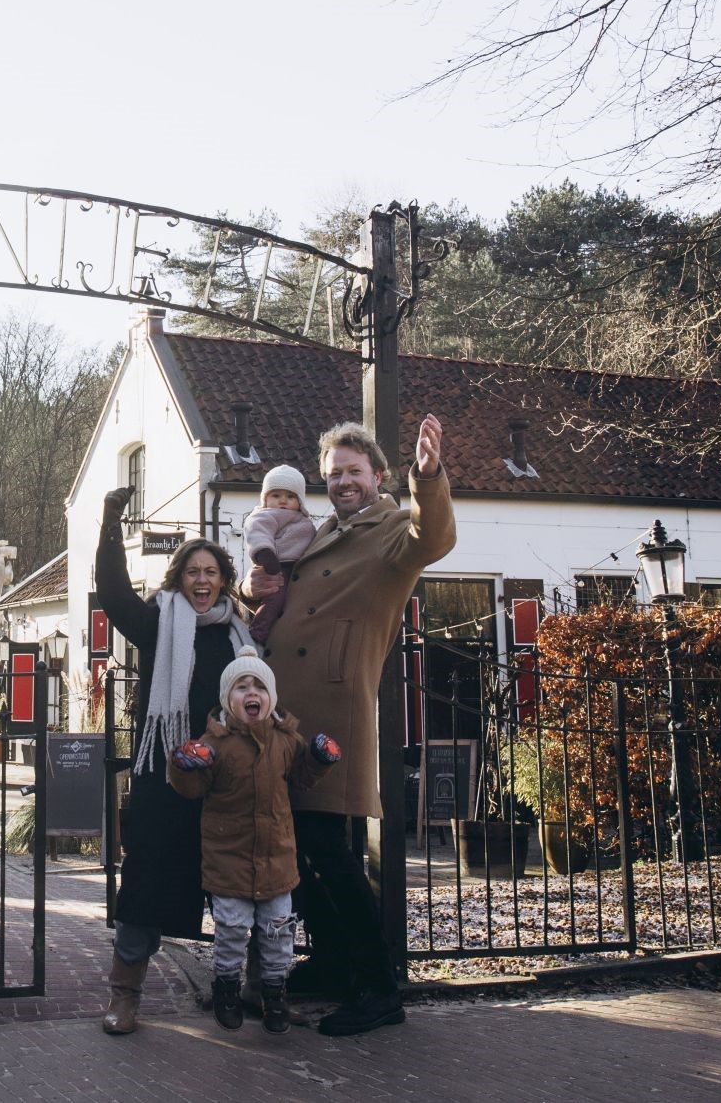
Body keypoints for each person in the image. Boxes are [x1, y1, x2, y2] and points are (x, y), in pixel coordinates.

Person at [243, 416, 455, 1037]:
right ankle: (334, 962)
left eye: (353, 472)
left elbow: (433, 536)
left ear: (378, 477)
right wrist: (255, 588)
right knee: (301, 854)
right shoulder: (318, 531)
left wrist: (430, 475)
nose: (342, 482)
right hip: (285, 712)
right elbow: (285, 598)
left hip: (334, 712)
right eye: (333, 474)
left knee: (333, 854)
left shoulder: (393, 528)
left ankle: (379, 986)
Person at [94, 485, 254, 1036]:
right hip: (163, 775)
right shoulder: (159, 624)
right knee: (145, 879)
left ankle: (248, 984)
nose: (203, 580)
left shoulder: (241, 636)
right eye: (193, 572)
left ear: (224, 580)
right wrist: (110, 523)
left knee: (239, 880)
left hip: (225, 778)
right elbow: (112, 594)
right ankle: (125, 994)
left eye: (212, 572)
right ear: (178, 579)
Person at [167, 646, 341, 1034]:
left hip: (277, 856)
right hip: (228, 857)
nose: (252, 693)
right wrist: (183, 765)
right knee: (231, 929)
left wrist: (317, 759)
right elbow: (191, 788)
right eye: (242, 687)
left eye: (259, 687)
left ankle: (275, 992)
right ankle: (227, 986)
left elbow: (301, 777)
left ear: (270, 698)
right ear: (228, 699)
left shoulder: (285, 740)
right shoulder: (216, 744)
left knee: (279, 930)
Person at [243, 464, 318, 645]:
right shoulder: (265, 515)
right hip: (277, 567)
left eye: (291, 496)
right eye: (276, 495)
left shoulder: (304, 520)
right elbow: (258, 533)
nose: (283, 501)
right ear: (266, 499)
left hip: (301, 569)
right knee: (274, 600)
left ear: (300, 501)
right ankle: (258, 631)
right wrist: (265, 554)